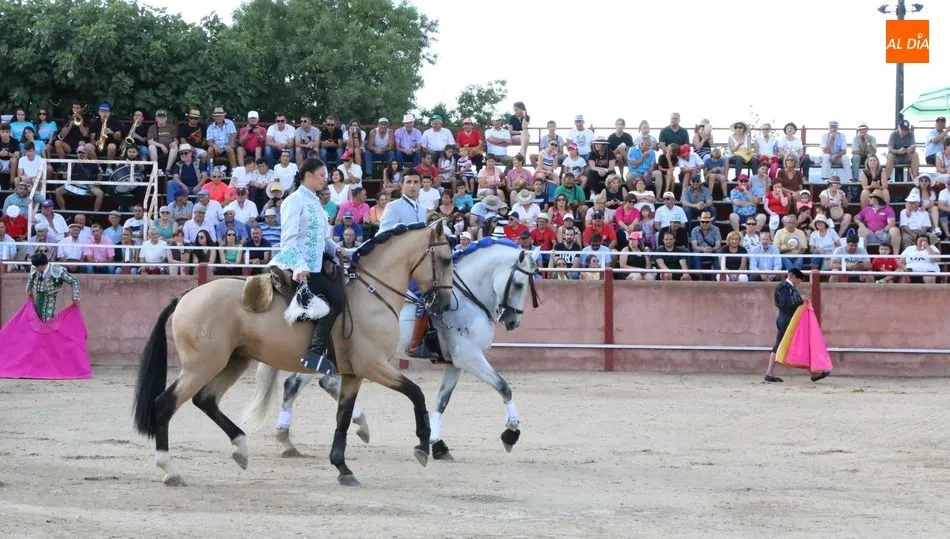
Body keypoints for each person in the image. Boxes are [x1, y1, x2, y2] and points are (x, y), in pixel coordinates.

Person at [269, 158, 349, 375]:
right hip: (299, 266)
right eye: (322, 175)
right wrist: (299, 265)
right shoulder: (293, 201)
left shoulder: (315, 202)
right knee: (336, 299)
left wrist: (337, 249)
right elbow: (287, 241)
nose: (325, 179)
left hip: (316, 264)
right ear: (308, 175)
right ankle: (314, 353)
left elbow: (323, 239)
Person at [375, 169, 440, 360]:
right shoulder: (394, 207)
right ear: (402, 185)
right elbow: (383, 234)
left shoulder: (421, 209)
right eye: (409, 182)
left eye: (415, 182)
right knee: (425, 293)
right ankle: (415, 344)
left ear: (421, 185)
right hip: (401, 264)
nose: (412, 186)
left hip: (417, 263)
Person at [764, 268, 829, 383]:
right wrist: (800, 299)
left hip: (791, 319)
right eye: (798, 280)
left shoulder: (788, 288)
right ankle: (769, 373)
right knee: (781, 345)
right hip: (787, 320)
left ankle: (813, 373)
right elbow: (784, 304)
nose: (798, 283)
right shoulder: (783, 287)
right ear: (792, 276)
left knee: (799, 344)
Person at [26, 252, 81, 322]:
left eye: (37, 267)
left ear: (40, 266)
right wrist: (29, 289)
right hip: (38, 298)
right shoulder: (34, 267)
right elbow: (30, 278)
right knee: (35, 320)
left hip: (51, 298)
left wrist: (75, 297)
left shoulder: (56, 270)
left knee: (49, 321)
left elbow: (74, 281)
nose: (35, 268)